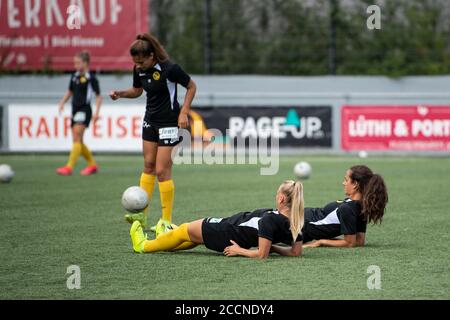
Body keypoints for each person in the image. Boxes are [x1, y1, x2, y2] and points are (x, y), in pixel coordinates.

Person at [110, 33, 197, 237]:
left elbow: (192, 86)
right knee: (148, 166)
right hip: (150, 121)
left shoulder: (170, 69)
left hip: (169, 123)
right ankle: (142, 215)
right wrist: (121, 94)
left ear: (151, 56)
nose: (138, 65)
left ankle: (166, 221)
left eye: (141, 61)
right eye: (135, 62)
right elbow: (137, 90)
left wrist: (184, 111)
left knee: (161, 171)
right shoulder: (139, 69)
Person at [129, 180, 304, 259]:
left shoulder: (270, 220)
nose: (275, 196)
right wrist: (274, 247)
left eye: (277, 194)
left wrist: (240, 251)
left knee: (184, 230)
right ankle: (166, 238)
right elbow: (295, 252)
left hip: (226, 232)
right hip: (231, 230)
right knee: (190, 238)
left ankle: (143, 246)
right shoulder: (297, 223)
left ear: (281, 199)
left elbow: (261, 255)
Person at [302, 165, 388, 248]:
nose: (343, 183)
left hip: (297, 225)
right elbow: (358, 240)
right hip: (300, 216)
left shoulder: (349, 208)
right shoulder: (359, 206)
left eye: (346, 180)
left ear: (355, 184)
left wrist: (320, 242)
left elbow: (350, 242)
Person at [56, 51, 102, 176]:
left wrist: (97, 113)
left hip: (84, 110)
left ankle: (69, 167)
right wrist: (62, 103)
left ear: (86, 63)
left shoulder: (91, 78)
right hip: (75, 110)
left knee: (76, 137)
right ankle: (92, 165)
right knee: (78, 141)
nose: (75, 65)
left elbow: (98, 96)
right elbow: (70, 91)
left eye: (78, 62)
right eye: (74, 63)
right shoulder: (74, 76)